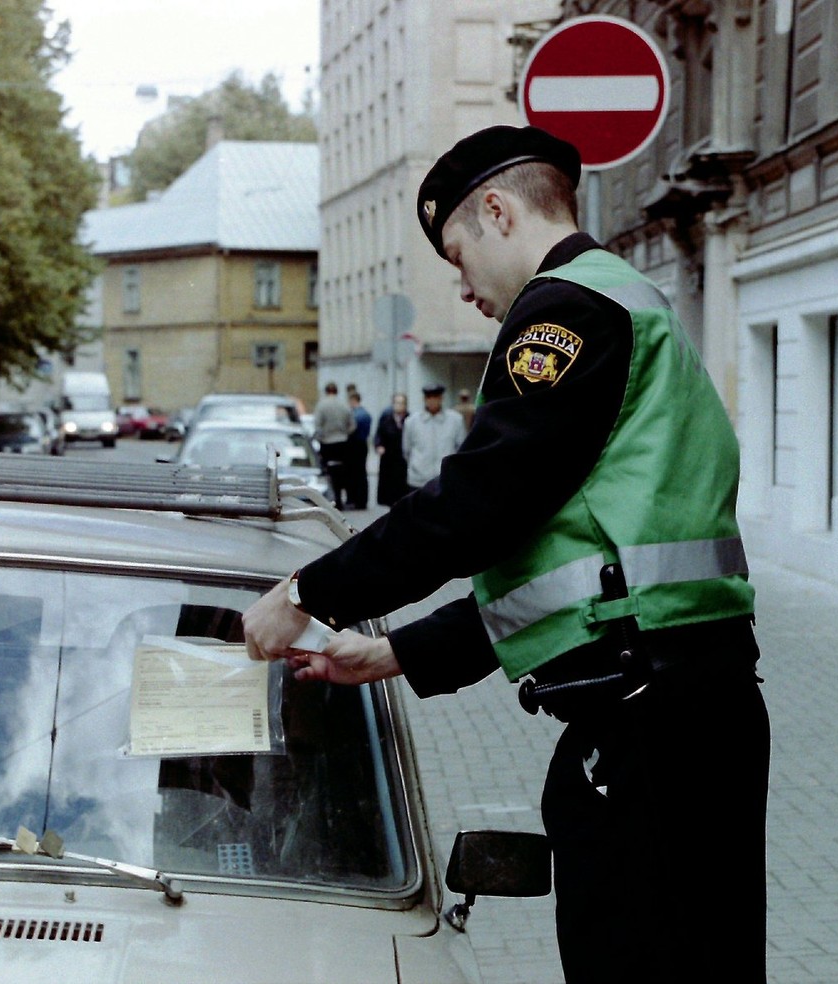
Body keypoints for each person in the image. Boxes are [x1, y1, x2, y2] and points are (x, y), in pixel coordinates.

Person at [242, 124, 768, 983]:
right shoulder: (629, 300)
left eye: (458, 256)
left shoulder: (565, 312)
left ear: (496, 210)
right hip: (681, 709)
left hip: (647, 724)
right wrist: (400, 650)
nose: (463, 289)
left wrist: (306, 592)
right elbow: (588, 574)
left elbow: (479, 504)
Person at [401, 383, 464, 488]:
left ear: (441, 398)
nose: (432, 401)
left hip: (445, 479)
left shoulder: (455, 420)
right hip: (418, 480)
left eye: (435, 397)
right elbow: (406, 450)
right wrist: (417, 466)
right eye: (428, 397)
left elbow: (461, 448)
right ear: (424, 399)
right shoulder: (412, 421)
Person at [311, 381, 354, 508]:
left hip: (327, 442)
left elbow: (317, 424)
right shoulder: (344, 405)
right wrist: (345, 433)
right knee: (342, 472)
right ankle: (342, 496)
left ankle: (333, 497)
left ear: (326, 391)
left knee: (329, 471)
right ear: (336, 391)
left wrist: (320, 437)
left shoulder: (321, 405)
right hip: (342, 441)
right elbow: (352, 424)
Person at [345, 390, 372, 510]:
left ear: (353, 400)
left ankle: (356, 499)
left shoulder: (354, 415)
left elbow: (351, 429)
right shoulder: (366, 414)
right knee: (362, 472)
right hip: (363, 444)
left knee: (354, 473)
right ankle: (363, 500)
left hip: (354, 445)